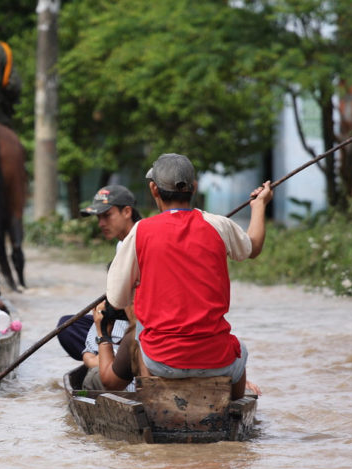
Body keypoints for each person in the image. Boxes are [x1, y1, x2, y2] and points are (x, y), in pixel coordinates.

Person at [100, 153, 272, 399]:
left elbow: (116, 300)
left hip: (161, 362)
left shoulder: (141, 231)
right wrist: (259, 206)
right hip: (218, 360)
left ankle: (155, 401)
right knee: (239, 351)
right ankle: (231, 406)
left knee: (138, 336)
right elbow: (252, 247)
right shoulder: (218, 225)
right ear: (194, 188)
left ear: (153, 190)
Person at [56, 186, 141, 362]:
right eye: (99, 217)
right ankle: (100, 356)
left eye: (107, 216)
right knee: (67, 326)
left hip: (140, 321)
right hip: (125, 317)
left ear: (126, 212)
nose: (101, 223)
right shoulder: (122, 244)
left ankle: (101, 359)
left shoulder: (141, 240)